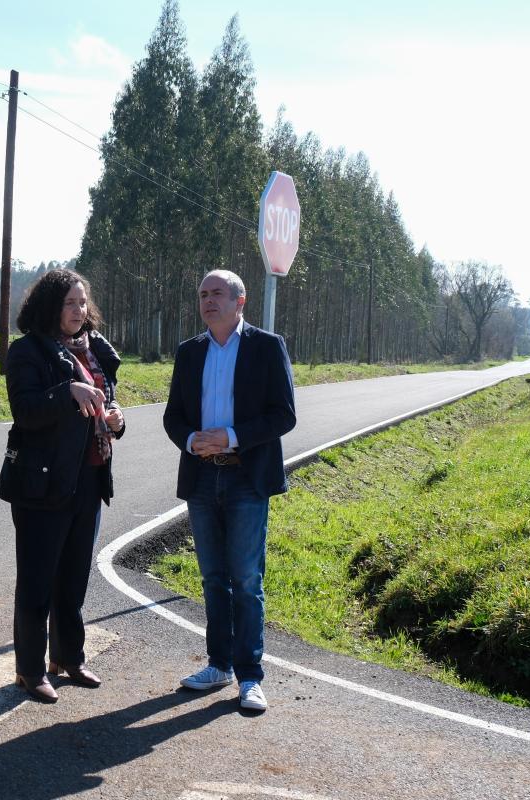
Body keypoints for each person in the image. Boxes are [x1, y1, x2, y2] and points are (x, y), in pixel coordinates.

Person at [162, 269, 296, 712]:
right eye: (202, 293)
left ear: (241, 301)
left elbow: (283, 416)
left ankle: (250, 676)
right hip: (201, 477)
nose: (208, 300)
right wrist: (190, 440)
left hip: (245, 477)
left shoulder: (265, 346)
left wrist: (231, 436)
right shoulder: (189, 352)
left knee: (245, 579)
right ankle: (218, 665)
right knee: (212, 578)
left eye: (217, 293)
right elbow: (173, 416)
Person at [0, 269, 125, 703]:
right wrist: (65, 392)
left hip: (89, 477)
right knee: (36, 581)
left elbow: (107, 400)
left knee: (72, 579)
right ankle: (30, 670)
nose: (79, 311)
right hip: (43, 483)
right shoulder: (27, 351)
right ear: (50, 306)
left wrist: (116, 420)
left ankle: (68, 657)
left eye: (83, 302)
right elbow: (26, 411)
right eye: (70, 303)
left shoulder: (96, 351)